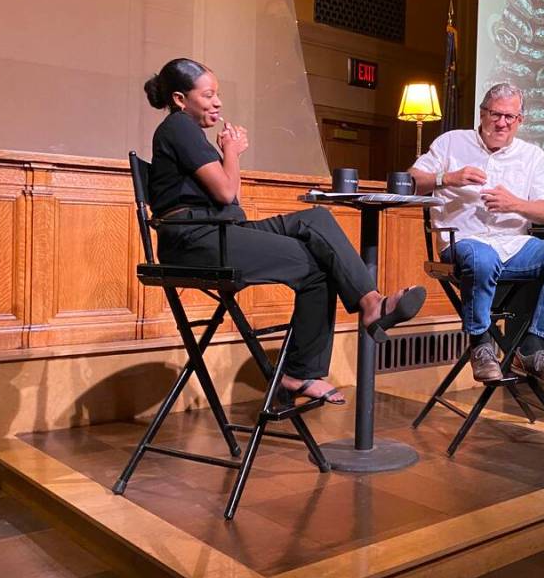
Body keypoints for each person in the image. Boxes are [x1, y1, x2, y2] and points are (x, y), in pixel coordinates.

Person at [145, 58, 425, 405]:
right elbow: (227, 194)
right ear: (179, 99)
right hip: (194, 242)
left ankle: (370, 303)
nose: (217, 102)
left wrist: (226, 157)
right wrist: (231, 151)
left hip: (216, 230)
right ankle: (302, 370)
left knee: (317, 221)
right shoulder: (179, 128)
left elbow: (231, 201)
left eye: (218, 94)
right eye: (208, 95)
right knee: (318, 268)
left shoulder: (188, 132)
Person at [409, 82, 544, 387]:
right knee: (483, 257)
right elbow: (411, 181)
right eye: (496, 114)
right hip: (463, 243)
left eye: (511, 117)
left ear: (520, 120)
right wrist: (447, 177)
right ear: (482, 114)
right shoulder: (452, 142)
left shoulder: (532, 156)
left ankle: (533, 348)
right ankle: (480, 344)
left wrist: (515, 204)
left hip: (516, 246)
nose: (502, 123)